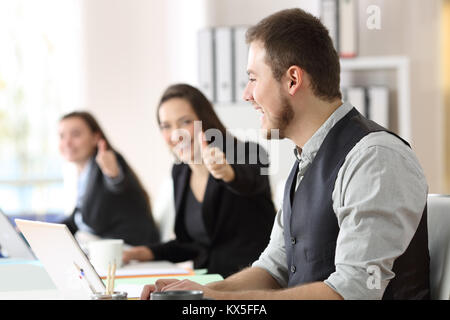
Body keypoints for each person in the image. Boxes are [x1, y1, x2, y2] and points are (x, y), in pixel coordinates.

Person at [140, 8, 430, 300]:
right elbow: (273, 267)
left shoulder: (374, 157)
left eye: (253, 78)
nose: (246, 94)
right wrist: (198, 292)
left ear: (292, 80)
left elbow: (352, 291)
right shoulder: (305, 160)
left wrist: (220, 301)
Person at [122, 83, 276, 278]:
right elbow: (192, 245)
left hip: (250, 282)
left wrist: (226, 172)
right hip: (206, 283)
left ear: (205, 121)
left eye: (185, 122)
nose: (176, 134)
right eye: (166, 126)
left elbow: (250, 181)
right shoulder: (180, 171)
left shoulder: (248, 153)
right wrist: (144, 253)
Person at [58, 111, 160, 246]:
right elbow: (77, 218)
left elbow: (118, 184)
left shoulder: (107, 160)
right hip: (108, 245)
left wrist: (114, 176)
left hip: (131, 247)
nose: (67, 142)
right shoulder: (85, 174)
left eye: (76, 134)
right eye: (62, 136)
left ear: (95, 137)